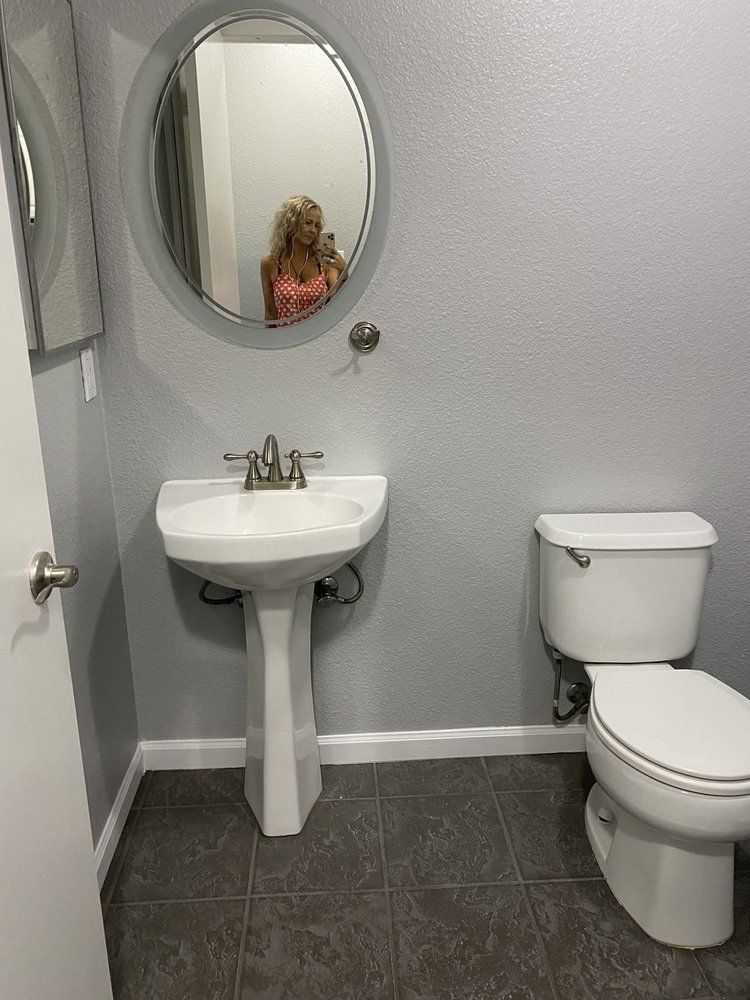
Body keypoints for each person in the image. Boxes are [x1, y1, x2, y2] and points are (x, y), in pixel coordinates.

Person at [261, 195, 347, 325]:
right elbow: (270, 313)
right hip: (285, 336)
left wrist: (344, 272)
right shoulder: (270, 263)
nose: (313, 230)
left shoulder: (323, 262)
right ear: (290, 222)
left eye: (317, 225)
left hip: (320, 335)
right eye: (307, 222)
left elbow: (337, 306)